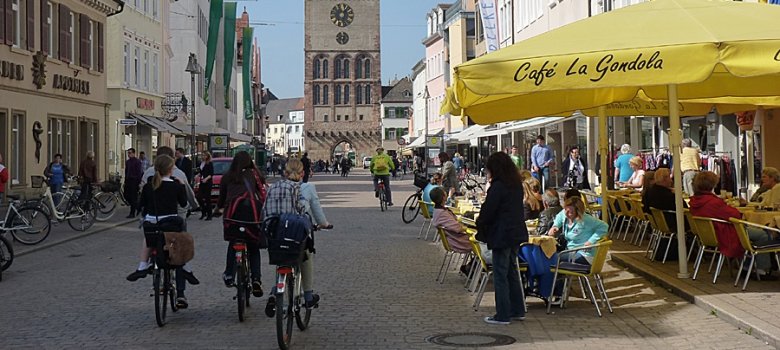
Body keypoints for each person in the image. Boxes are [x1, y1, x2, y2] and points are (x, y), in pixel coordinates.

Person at [126, 155, 199, 308]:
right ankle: (186, 268)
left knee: (147, 239)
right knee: (182, 240)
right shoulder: (175, 186)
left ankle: (142, 266)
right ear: (171, 170)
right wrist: (180, 188)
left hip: (152, 224)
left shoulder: (148, 186)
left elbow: (141, 205)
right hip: (171, 224)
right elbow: (184, 203)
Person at [264, 158, 331, 311]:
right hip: (294, 233)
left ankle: (275, 292)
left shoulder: (273, 187)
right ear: (303, 173)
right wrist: (323, 224)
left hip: (274, 232)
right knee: (306, 256)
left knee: (281, 256)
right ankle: (308, 296)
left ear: (284, 173)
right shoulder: (305, 188)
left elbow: (265, 211)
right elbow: (307, 211)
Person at [475, 152, 527, 325]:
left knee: (500, 274)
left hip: (502, 234)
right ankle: (517, 309)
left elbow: (489, 211)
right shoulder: (515, 184)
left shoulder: (498, 186)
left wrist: (480, 223)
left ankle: (503, 314)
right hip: (516, 233)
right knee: (512, 271)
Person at [689, 171, 774, 275]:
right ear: (712, 184)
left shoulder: (695, 201)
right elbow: (736, 215)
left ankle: (749, 265)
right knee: (763, 234)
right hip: (724, 233)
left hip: (710, 235)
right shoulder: (713, 202)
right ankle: (761, 269)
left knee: (752, 233)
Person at [213, 151, 265, 297]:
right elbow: (261, 191)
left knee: (233, 243)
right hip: (251, 215)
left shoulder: (227, 177)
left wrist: (218, 210)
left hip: (232, 216)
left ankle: (230, 274)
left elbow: (221, 200)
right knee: (253, 248)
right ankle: (256, 279)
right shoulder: (254, 175)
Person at [547, 196, 608, 297]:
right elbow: (559, 217)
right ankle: (559, 290)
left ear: (578, 211)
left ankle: (558, 293)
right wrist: (555, 226)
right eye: (566, 210)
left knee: (551, 258)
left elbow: (604, 226)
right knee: (552, 257)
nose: (567, 214)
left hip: (584, 255)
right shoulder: (565, 214)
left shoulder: (586, 220)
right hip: (571, 252)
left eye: (570, 212)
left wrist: (591, 241)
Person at [141, 146, 199, 211]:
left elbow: (142, 191)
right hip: (174, 212)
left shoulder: (148, 173)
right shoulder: (179, 174)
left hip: (152, 211)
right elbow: (187, 194)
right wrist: (194, 205)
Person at [124, 148, 144, 218]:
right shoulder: (128, 162)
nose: (128, 154)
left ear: (133, 153)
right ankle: (137, 206)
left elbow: (139, 172)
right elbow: (126, 171)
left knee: (133, 197)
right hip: (128, 180)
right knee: (126, 195)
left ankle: (132, 213)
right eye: (128, 153)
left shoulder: (137, 162)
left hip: (134, 181)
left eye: (130, 153)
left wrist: (138, 182)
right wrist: (125, 180)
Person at [197, 151, 214, 220]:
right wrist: (198, 175)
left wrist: (206, 179)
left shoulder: (209, 163)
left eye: (204, 155)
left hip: (208, 182)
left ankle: (209, 215)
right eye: (202, 155)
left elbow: (211, 173)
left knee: (207, 198)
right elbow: (201, 172)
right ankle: (204, 211)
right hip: (202, 182)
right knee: (199, 197)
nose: (203, 157)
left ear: (207, 156)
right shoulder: (201, 163)